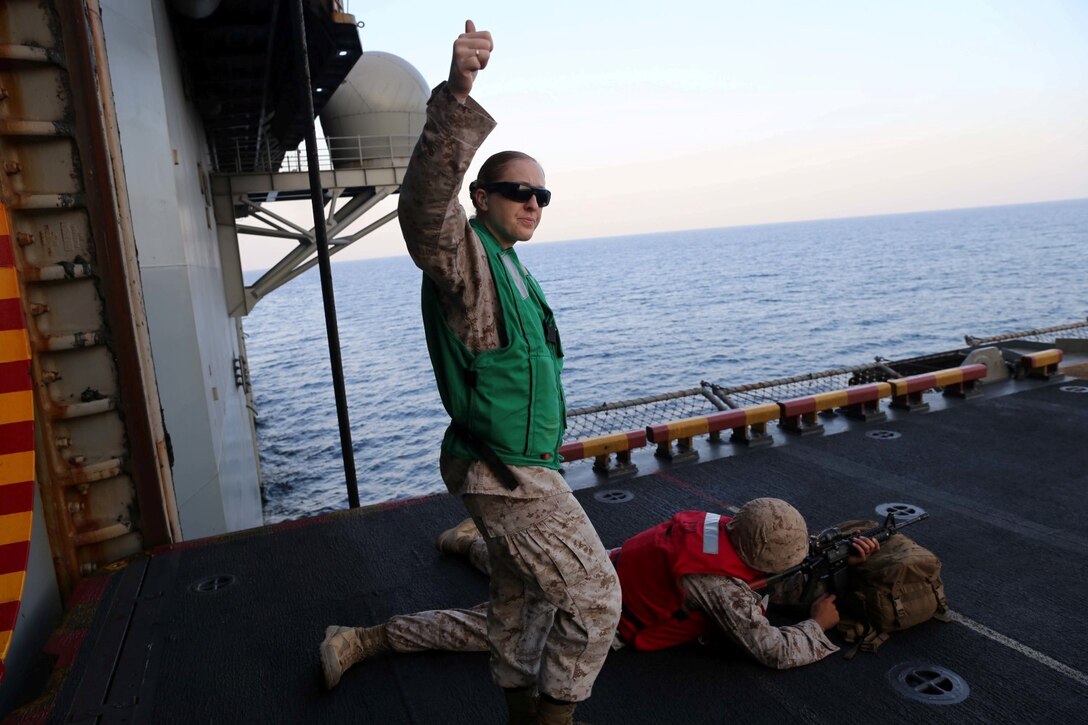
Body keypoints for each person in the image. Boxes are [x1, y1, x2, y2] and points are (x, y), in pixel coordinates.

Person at [322, 20, 622, 725]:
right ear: (481, 196)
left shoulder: (512, 266)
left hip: (522, 463)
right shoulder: (465, 260)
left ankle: (521, 709)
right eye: (517, 189)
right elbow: (424, 209)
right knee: (596, 598)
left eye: (542, 195)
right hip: (506, 471)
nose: (531, 202)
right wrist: (457, 93)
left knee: (517, 608)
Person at [320, 499, 880, 695]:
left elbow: (758, 576)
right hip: (596, 615)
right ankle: (364, 638)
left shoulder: (725, 527)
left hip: (603, 565)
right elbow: (772, 650)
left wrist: (836, 562)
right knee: (487, 628)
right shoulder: (717, 587)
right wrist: (817, 624)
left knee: (522, 567)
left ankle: (464, 541)